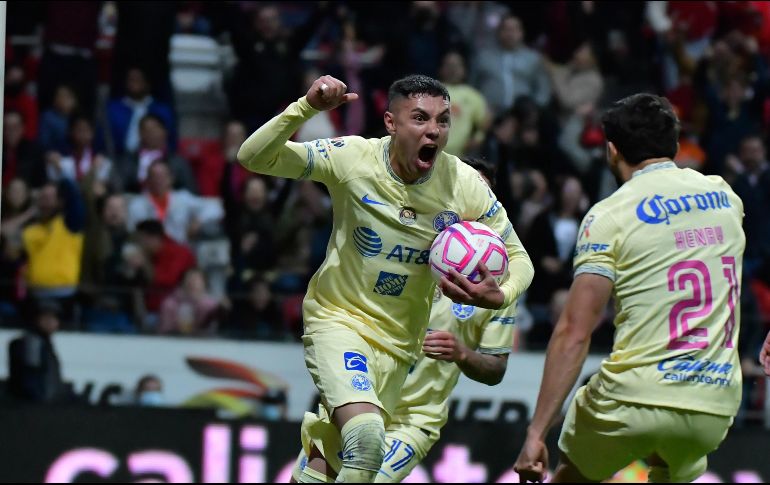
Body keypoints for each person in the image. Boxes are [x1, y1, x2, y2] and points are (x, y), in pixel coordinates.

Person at [238, 74, 533, 482]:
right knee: (367, 440)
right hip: (339, 322)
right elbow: (254, 158)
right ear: (391, 123)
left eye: (443, 120)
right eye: (420, 118)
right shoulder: (353, 158)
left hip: (398, 349)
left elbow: (519, 257)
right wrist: (305, 108)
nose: (434, 129)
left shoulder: (463, 184)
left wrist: (503, 294)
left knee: (325, 469)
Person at [514, 93, 745, 483]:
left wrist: (536, 433)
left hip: (633, 400)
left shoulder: (609, 216)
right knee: (667, 463)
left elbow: (574, 332)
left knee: (574, 475)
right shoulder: (726, 197)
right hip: (714, 402)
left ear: (611, 150)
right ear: (674, 144)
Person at [290, 158, 518, 482]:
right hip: (364, 393)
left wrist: (462, 353)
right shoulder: (405, 248)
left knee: (364, 471)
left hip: (412, 421)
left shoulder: (497, 285)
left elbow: (496, 369)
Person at [8, 299, 69, 403]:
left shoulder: (43, 342)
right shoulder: (33, 342)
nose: (50, 322)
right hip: (36, 408)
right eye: (46, 317)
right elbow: (31, 382)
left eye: (54, 318)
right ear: (36, 319)